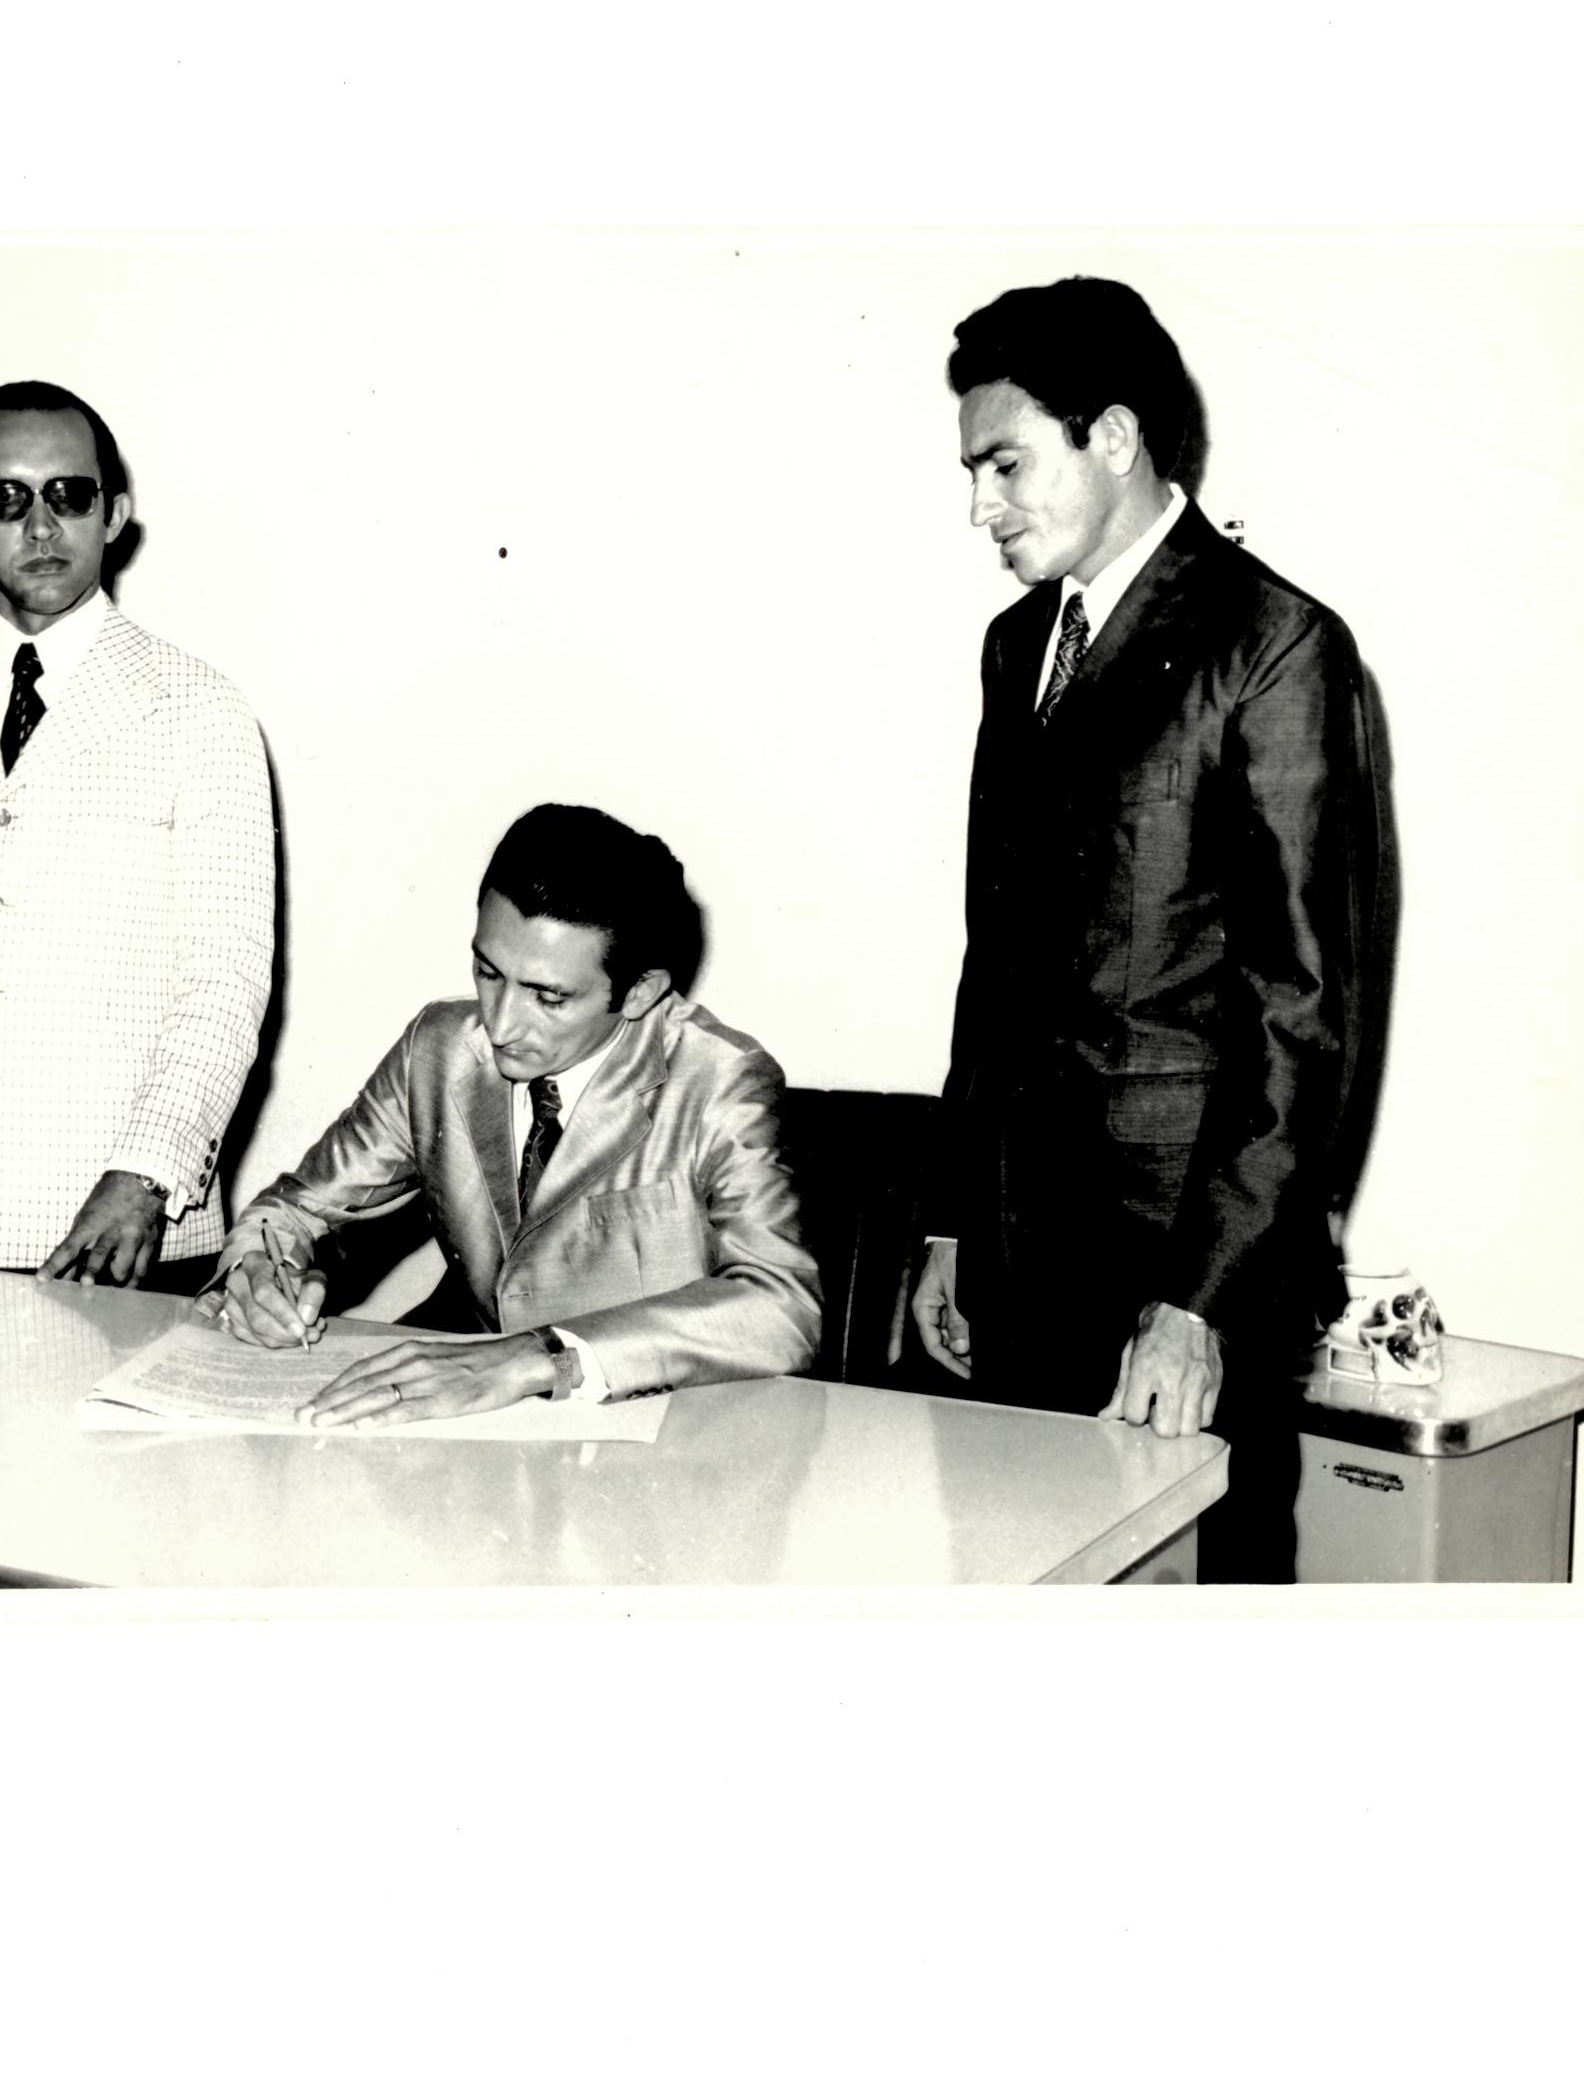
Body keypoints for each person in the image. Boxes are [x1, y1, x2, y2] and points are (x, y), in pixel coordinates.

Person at [914, 276, 1385, 1581]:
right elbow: (993, 958)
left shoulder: (1275, 644)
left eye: (1004, 464)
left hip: (1181, 1280)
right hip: (1015, 1264)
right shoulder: (1016, 647)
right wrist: (950, 1225)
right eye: (971, 474)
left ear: (1112, 435)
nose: (979, 507)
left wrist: (1199, 1303)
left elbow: (1301, 1014)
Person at [0, 381, 274, 1287]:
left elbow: (225, 977)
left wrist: (144, 1175)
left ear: (115, 514)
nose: (40, 527)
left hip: (123, 1231)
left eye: (69, 495)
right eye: (6, 499)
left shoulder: (199, 708)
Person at [201, 804, 819, 1422]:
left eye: (548, 997)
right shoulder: (439, 1049)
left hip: (657, 1428)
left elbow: (782, 1309)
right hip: (473, 1421)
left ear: (640, 992)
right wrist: (261, 1272)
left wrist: (536, 1358)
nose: (499, 1025)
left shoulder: (720, 1081)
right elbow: (296, 1209)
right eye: (488, 973)